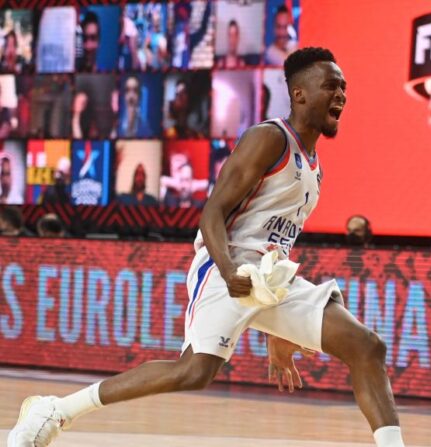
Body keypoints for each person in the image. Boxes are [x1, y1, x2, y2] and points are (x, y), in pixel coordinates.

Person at [7, 46, 404, 447]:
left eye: (344, 87)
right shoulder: (269, 138)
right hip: (223, 266)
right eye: (332, 86)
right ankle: (54, 410)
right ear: (299, 93)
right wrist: (230, 270)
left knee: (366, 346)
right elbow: (212, 213)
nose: (341, 95)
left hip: (267, 277)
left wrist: (277, 330)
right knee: (194, 371)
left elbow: (274, 244)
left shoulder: (314, 165)